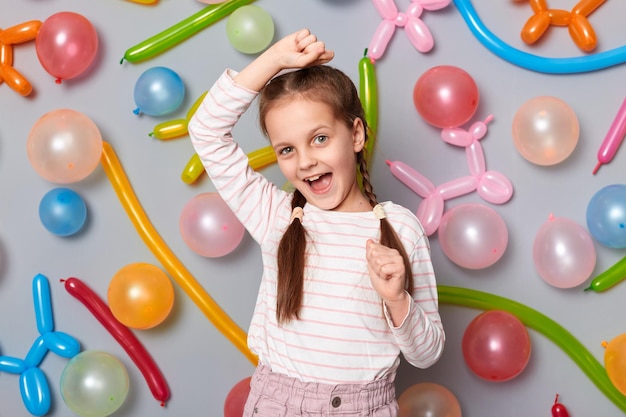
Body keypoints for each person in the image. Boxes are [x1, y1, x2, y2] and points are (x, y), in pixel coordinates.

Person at [188, 28, 445, 417]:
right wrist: (273, 60)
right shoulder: (275, 216)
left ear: (355, 133)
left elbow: (427, 354)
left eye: (320, 138)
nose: (305, 160)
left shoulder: (400, 229)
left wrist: (397, 299)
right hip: (277, 404)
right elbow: (205, 131)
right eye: (287, 149)